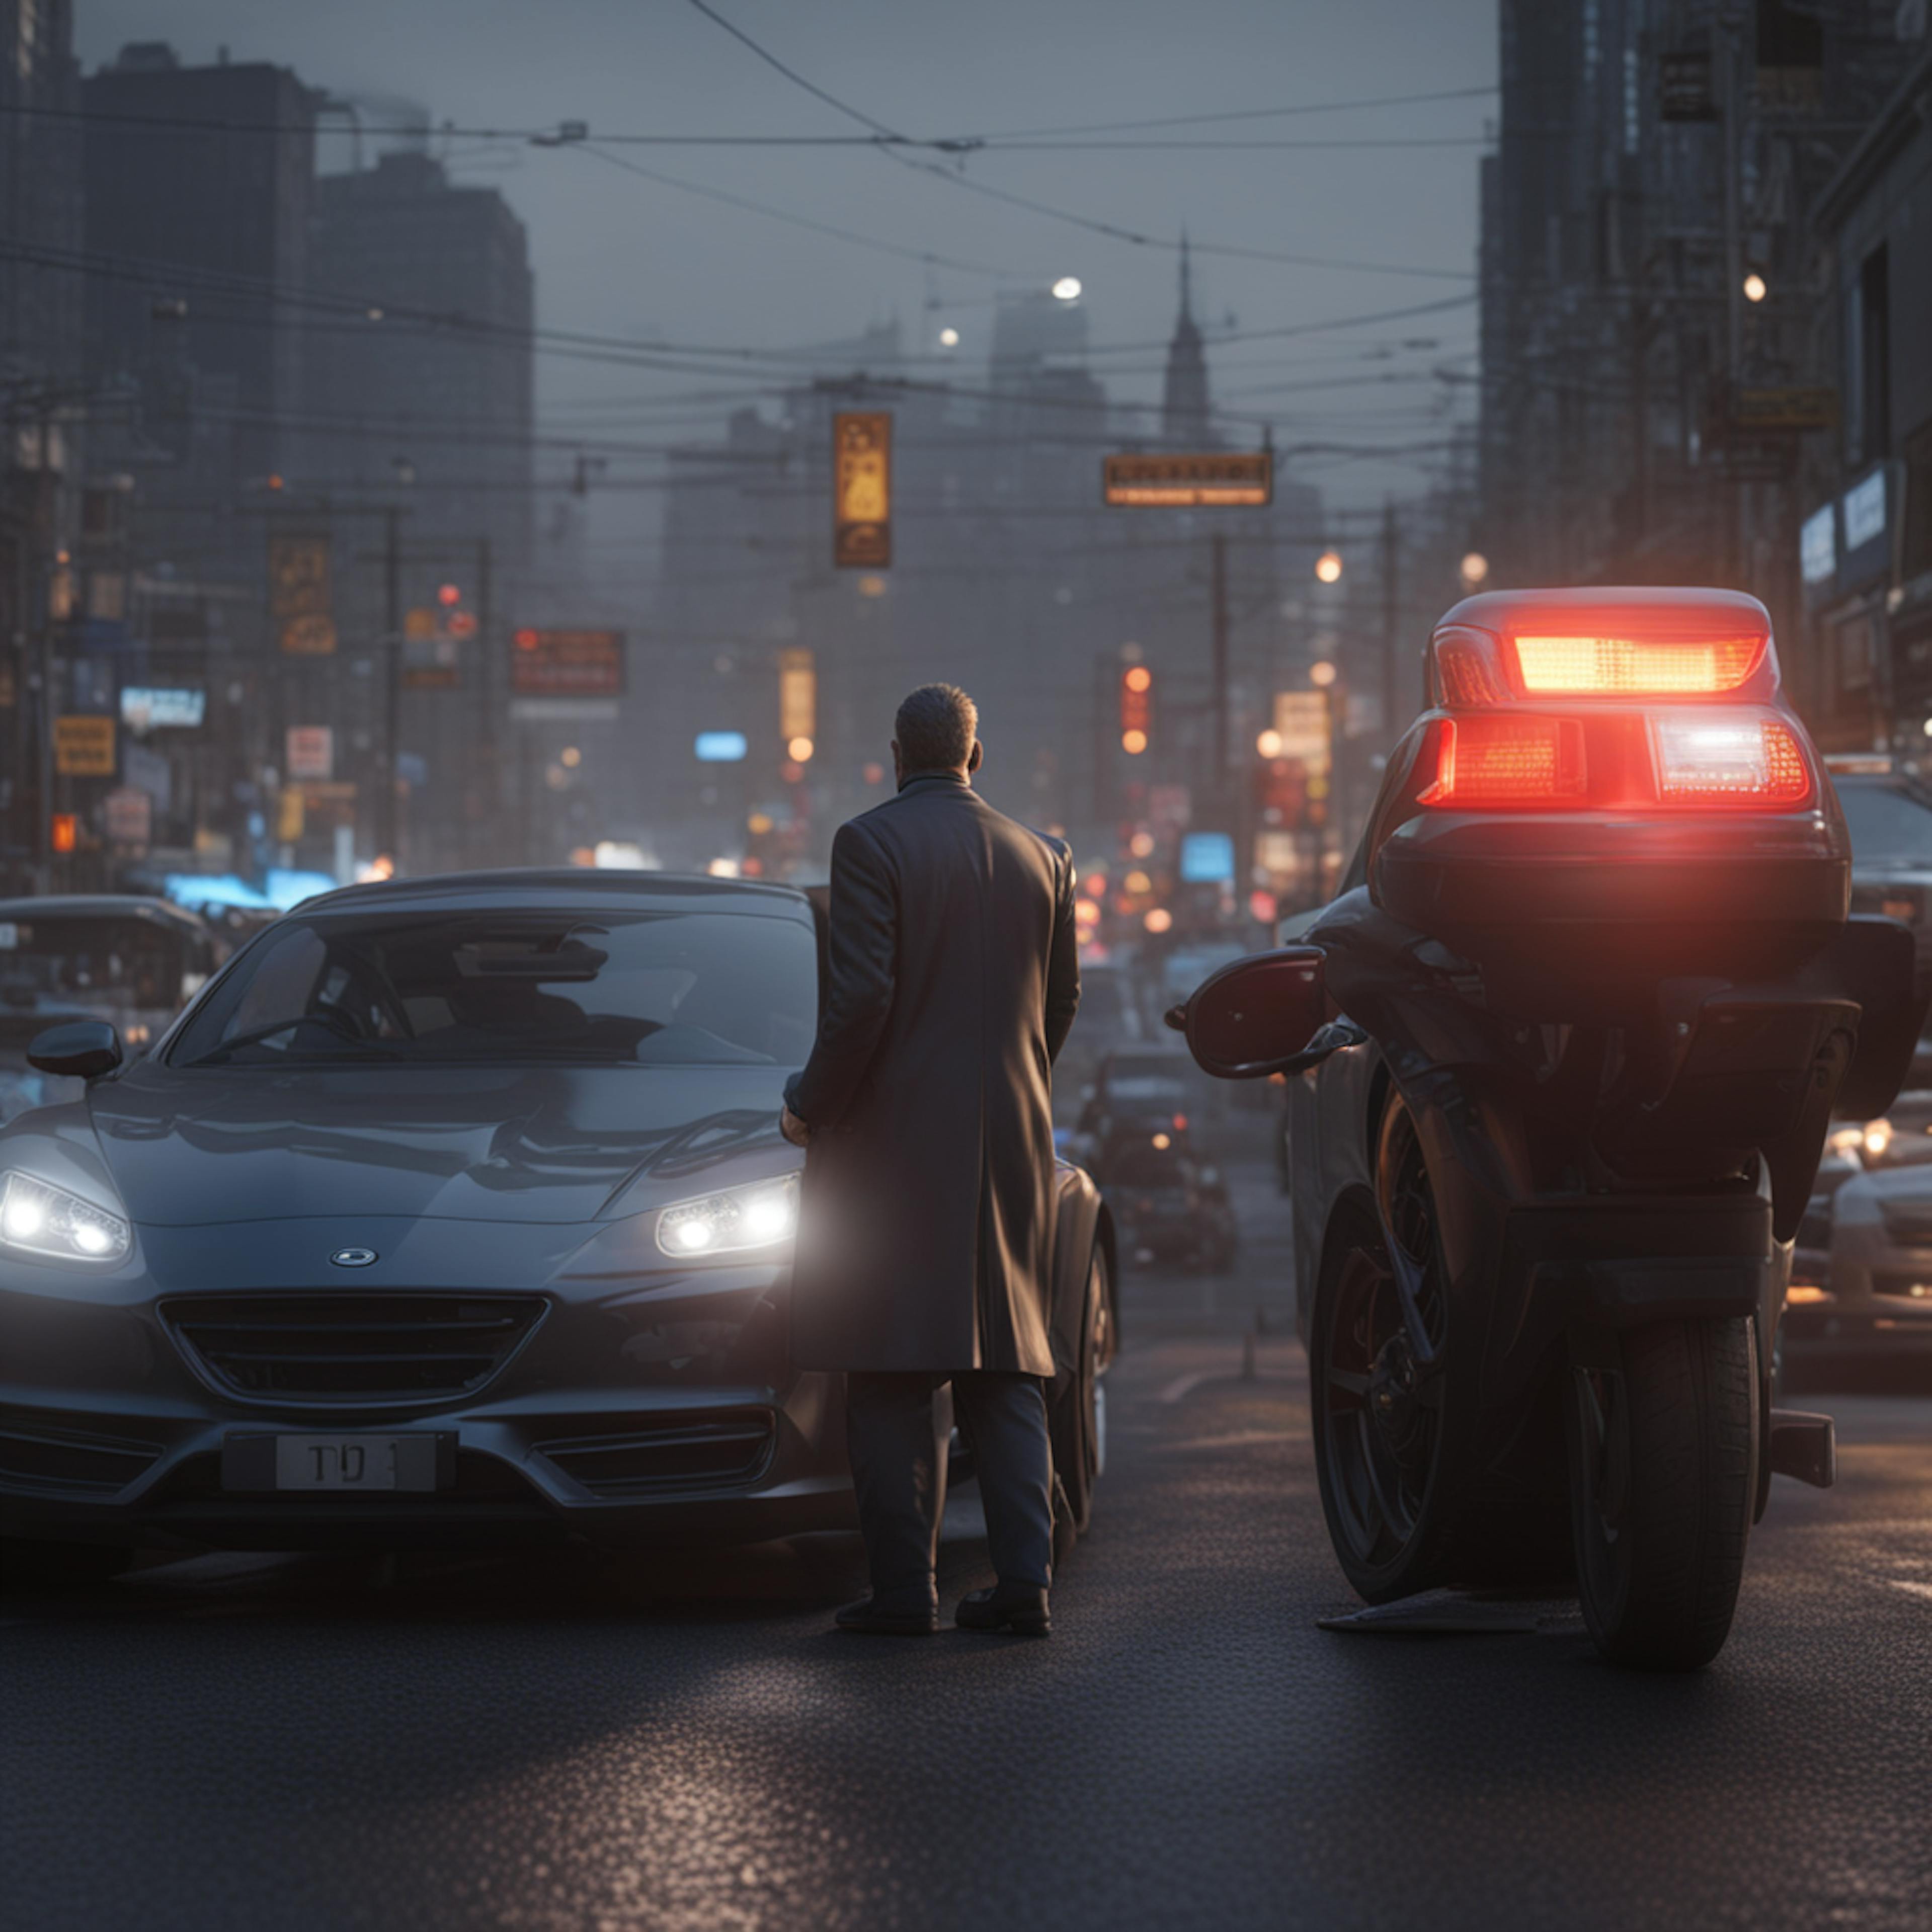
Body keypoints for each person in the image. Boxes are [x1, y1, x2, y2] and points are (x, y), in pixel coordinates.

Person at [781, 684, 1080, 1637]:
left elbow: (862, 1000)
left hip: (901, 1148)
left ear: (895, 756)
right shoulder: (1046, 858)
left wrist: (810, 1105)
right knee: (1008, 1368)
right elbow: (1057, 1006)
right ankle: (1025, 1587)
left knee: (888, 1372)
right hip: (1015, 1146)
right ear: (975, 756)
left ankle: (905, 1593)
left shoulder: (869, 845)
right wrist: (1011, 1089)